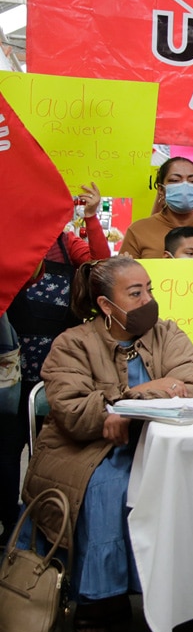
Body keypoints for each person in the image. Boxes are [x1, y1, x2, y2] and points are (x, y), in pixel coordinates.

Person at [20, 257, 193, 632]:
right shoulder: (72, 344)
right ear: (106, 304)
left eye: (149, 289)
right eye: (135, 293)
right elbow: (73, 411)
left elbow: (191, 384)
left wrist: (127, 406)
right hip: (87, 449)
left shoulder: (168, 333)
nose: (148, 300)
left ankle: (188, 596)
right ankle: (102, 599)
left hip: (157, 442)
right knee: (110, 485)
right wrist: (139, 395)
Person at [0, 182, 111, 545]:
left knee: (52, 451)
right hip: (11, 367)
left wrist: (91, 218)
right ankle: (8, 527)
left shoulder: (67, 243)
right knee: (7, 448)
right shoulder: (8, 240)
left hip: (58, 368)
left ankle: (44, 527)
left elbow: (102, 268)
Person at [120, 157, 193, 261]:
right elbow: (124, 273)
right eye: (175, 180)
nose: (185, 186)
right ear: (161, 189)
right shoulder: (138, 231)